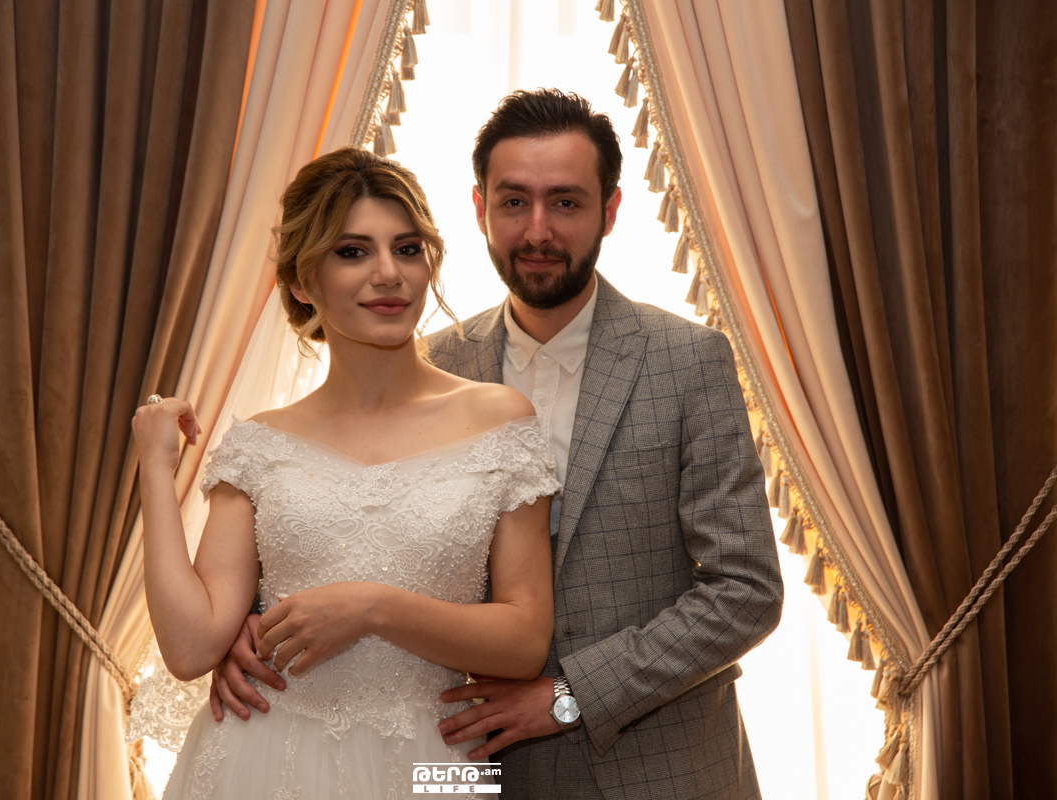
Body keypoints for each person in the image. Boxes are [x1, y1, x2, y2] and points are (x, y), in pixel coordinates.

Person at [212, 90, 784, 799]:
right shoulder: (428, 361)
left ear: (610, 210)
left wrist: (570, 695)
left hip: (661, 770)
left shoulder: (687, 361)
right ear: (480, 209)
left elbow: (745, 590)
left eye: (566, 202)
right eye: (514, 202)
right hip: (463, 769)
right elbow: (347, 519)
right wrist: (246, 633)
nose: (538, 230)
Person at [133, 146, 561, 799]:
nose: (389, 274)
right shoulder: (260, 444)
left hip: (432, 767)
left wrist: (371, 608)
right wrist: (154, 470)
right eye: (353, 251)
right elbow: (191, 648)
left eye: (407, 249)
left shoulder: (499, 421)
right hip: (259, 761)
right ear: (301, 282)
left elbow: (526, 643)